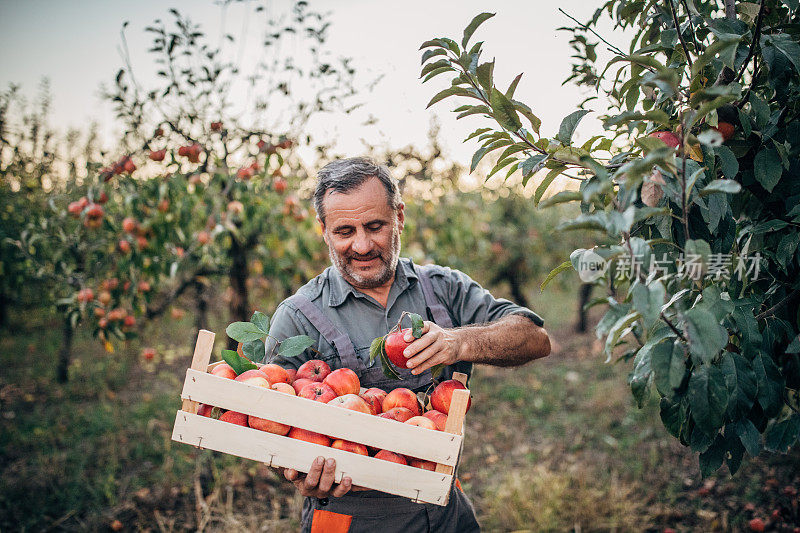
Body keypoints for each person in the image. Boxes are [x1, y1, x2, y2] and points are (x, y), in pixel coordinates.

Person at [267, 157, 551, 532]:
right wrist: (297, 471)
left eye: (375, 226)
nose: (363, 245)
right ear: (323, 229)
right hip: (352, 518)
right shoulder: (297, 316)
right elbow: (268, 425)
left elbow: (535, 337)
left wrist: (457, 342)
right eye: (344, 231)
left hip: (445, 508)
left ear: (399, 217)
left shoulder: (443, 288)